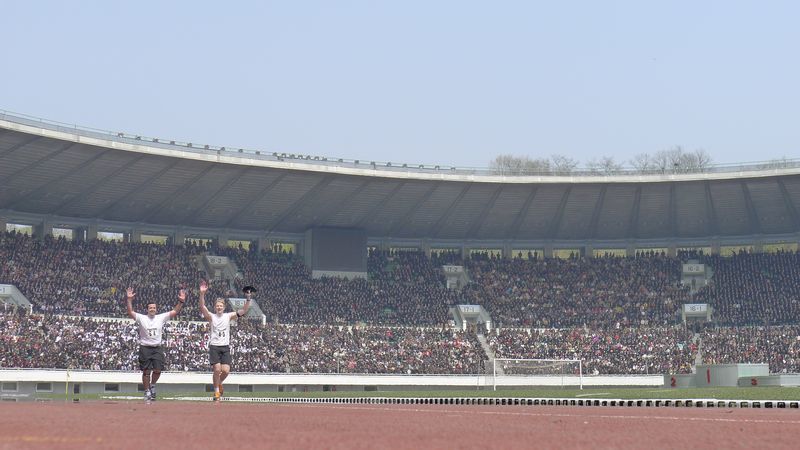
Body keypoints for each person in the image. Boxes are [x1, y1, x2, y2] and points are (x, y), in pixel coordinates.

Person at [126, 286, 186, 402]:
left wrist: (181, 301)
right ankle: (146, 391)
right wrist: (129, 300)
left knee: (158, 370)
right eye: (150, 308)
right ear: (147, 309)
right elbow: (130, 312)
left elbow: (175, 311)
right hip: (145, 347)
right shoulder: (142, 318)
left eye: (154, 307)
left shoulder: (161, 317)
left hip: (157, 348)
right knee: (146, 371)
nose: (152, 309)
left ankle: (152, 385)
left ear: (156, 309)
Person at [198, 280, 252, 401]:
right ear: (215, 307)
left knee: (226, 371)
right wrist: (202, 294)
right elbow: (202, 307)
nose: (219, 307)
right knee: (217, 369)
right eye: (217, 305)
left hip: (225, 346)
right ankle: (216, 392)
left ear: (224, 307)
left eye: (221, 305)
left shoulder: (228, 316)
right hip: (215, 346)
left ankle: (218, 383)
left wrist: (248, 299)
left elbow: (243, 311)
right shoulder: (211, 316)